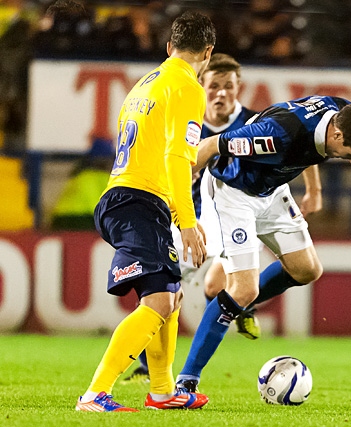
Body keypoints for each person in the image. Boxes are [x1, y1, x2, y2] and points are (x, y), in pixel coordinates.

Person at [174, 95, 351, 392]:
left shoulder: (343, 113)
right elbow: (209, 146)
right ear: (337, 134)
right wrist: (185, 210)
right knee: (244, 289)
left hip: (271, 192)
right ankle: (186, 381)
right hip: (232, 194)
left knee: (307, 270)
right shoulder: (275, 135)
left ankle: (235, 304)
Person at [75, 10, 214, 412]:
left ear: (169, 47)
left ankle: (162, 390)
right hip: (138, 201)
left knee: (169, 293)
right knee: (158, 303)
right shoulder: (187, 86)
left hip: (126, 196)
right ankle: (95, 393)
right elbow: (176, 156)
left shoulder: (145, 84)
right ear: (208, 51)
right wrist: (187, 220)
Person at [122, 53, 262, 383]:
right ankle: (146, 366)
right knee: (158, 290)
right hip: (188, 221)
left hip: (233, 221)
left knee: (222, 283)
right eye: (214, 85)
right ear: (204, 86)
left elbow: (293, 146)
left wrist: (312, 190)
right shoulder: (190, 121)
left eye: (228, 86)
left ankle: (243, 308)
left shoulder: (255, 122)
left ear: (238, 87)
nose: (221, 93)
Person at [50, 138, 114, 230]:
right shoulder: (100, 177)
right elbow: (99, 207)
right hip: (80, 219)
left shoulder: (79, 175)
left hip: (59, 218)